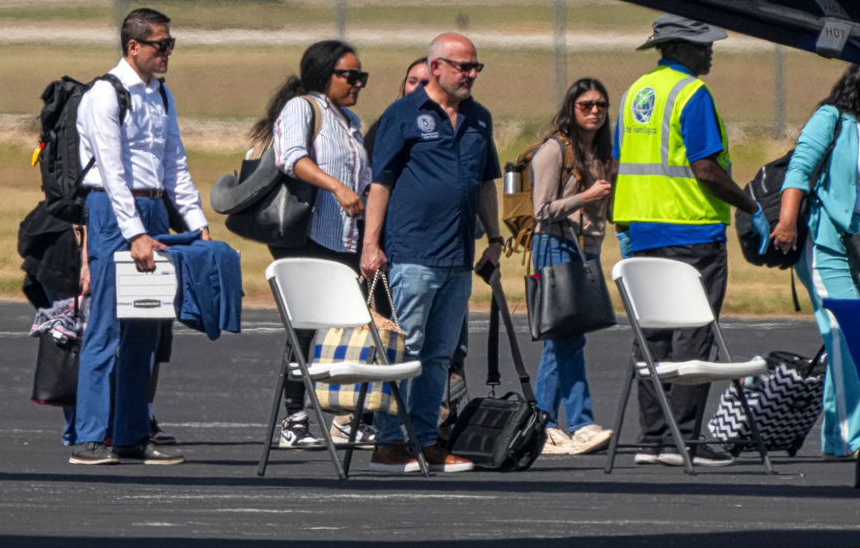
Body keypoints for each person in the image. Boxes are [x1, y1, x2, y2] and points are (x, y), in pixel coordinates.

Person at [611, 14, 767, 468]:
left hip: (643, 233)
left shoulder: (634, 93)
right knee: (693, 339)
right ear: (679, 48)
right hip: (692, 231)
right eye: (702, 45)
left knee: (653, 341)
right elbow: (706, 169)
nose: (710, 52)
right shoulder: (692, 94)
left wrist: (624, 222)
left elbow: (619, 165)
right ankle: (686, 442)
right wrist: (751, 206)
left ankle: (653, 441)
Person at [69, 8, 208, 465]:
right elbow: (111, 171)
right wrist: (134, 234)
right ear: (133, 47)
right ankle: (90, 436)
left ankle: (130, 432)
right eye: (159, 45)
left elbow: (175, 165)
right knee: (106, 326)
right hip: (113, 211)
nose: (167, 53)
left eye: (170, 45)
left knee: (145, 329)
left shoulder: (161, 95)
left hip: (151, 207)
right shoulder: (104, 95)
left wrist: (194, 222)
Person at [363, 33, 503, 474]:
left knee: (440, 354)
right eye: (463, 67)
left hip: (458, 256)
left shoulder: (479, 118)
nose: (471, 74)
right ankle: (389, 442)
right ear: (437, 66)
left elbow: (485, 184)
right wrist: (371, 243)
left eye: (475, 67)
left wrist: (495, 238)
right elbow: (381, 182)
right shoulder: (403, 115)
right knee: (406, 349)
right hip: (412, 254)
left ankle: (425, 441)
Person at [771, 64, 860, 461]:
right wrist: (787, 222)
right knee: (843, 331)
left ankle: (837, 435)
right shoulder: (831, 119)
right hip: (827, 241)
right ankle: (852, 436)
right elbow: (800, 169)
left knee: (859, 335)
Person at [248, 39, 376, 450]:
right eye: (350, 76)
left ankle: (346, 418)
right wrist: (336, 187)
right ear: (324, 75)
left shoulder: (351, 120)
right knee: (305, 329)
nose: (357, 83)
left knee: (352, 327)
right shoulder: (303, 107)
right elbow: (292, 158)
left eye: (362, 77)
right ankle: (293, 420)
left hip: (347, 238)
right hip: (310, 234)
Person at [530, 78, 616, 455]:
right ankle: (580, 423)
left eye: (600, 104)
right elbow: (542, 210)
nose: (594, 111)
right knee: (568, 338)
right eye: (586, 105)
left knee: (561, 340)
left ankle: (542, 424)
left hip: (587, 250)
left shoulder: (602, 151)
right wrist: (587, 196)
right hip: (556, 245)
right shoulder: (554, 150)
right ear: (571, 108)